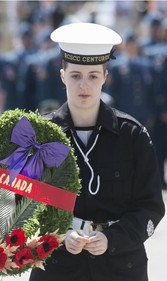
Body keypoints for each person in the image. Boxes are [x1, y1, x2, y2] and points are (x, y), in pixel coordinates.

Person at [29, 22, 165, 281]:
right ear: (62, 76)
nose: (84, 85)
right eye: (75, 75)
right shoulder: (40, 136)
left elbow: (150, 206)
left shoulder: (133, 135)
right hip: (58, 266)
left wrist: (111, 239)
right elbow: (23, 203)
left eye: (93, 76)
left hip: (120, 266)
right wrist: (58, 233)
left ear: (105, 77)